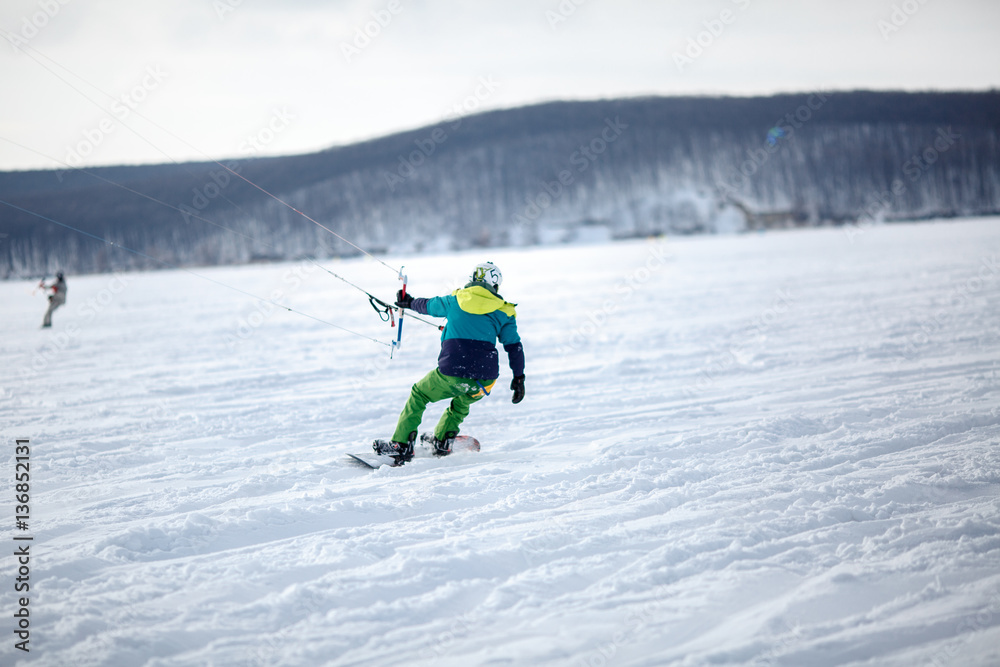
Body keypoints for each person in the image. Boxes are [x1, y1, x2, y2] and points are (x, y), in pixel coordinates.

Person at [374, 262, 526, 463]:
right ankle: (443, 440)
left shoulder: (456, 299)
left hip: (452, 372)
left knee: (419, 394)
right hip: (485, 380)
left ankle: (401, 444)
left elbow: (428, 306)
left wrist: (408, 302)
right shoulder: (505, 311)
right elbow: (514, 346)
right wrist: (519, 377)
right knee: (462, 403)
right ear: (495, 285)